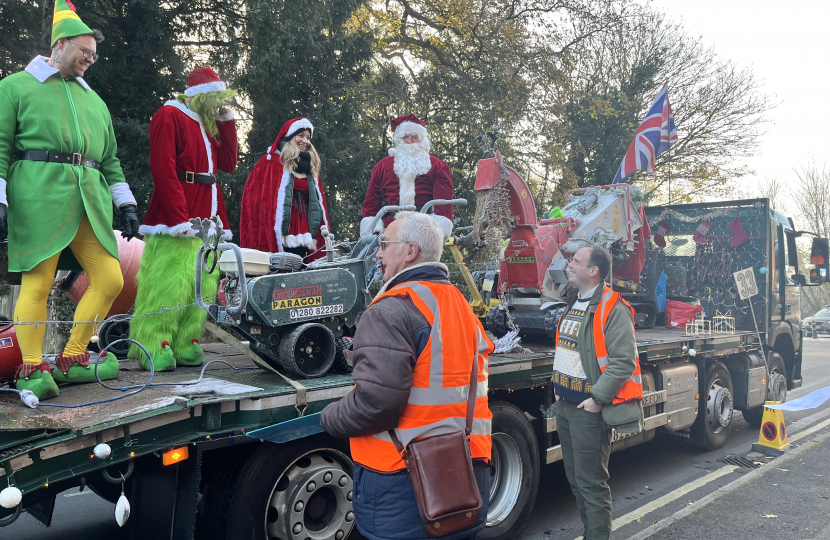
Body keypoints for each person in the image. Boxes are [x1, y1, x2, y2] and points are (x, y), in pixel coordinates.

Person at [321, 212, 493, 540]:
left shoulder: (389, 309)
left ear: (409, 251)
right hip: (467, 474)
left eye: (385, 244)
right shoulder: (460, 304)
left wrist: (327, 417)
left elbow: (376, 405)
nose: (379, 252)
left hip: (403, 484)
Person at [0, 0, 140, 400]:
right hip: (38, 196)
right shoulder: (14, 88)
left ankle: (74, 356)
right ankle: (32, 368)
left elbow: (109, 159)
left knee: (111, 278)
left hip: (89, 201)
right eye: (85, 52)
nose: (90, 60)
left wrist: (125, 203)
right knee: (38, 282)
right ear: (60, 45)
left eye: (94, 55)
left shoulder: (94, 101)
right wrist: (1, 199)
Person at [127, 67, 238, 371]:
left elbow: (227, 163)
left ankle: (185, 339)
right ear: (200, 96)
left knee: (201, 283)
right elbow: (163, 168)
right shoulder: (169, 116)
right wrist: (179, 218)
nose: (217, 105)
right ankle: (153, 343)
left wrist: (225, 120)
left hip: (208, 213)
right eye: (214, 99)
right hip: (178, 215)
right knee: (168, 281)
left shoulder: (207, 124)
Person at [553, 246, 644, 540]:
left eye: (576, 261)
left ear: (593, 271)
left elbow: (623, 362)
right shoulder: (575, 302)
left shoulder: (612, 308)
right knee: (577, 482)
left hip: (587, 410)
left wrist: (598, 399)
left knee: (591, 484)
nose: (569, 265)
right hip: (566, 405)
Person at [240, 118, 330, 262]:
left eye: (308, 137)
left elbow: (318, 203)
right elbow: (255, 200)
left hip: (304, 230)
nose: (305, 141)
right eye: (301, 135)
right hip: (280, 231)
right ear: (290, 136)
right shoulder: (271, 164)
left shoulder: (311, 169)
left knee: (303, 269)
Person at [361, 114, 454, 239]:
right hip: (389, 229)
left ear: (422, 140)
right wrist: (373, 229)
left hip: (424, 229)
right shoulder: (382, 166)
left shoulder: (437, 166)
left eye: (415, 137)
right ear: (399, 139)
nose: (410, 141)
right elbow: (372, 201)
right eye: (405, 137)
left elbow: (443, 203)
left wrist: (438, 230)